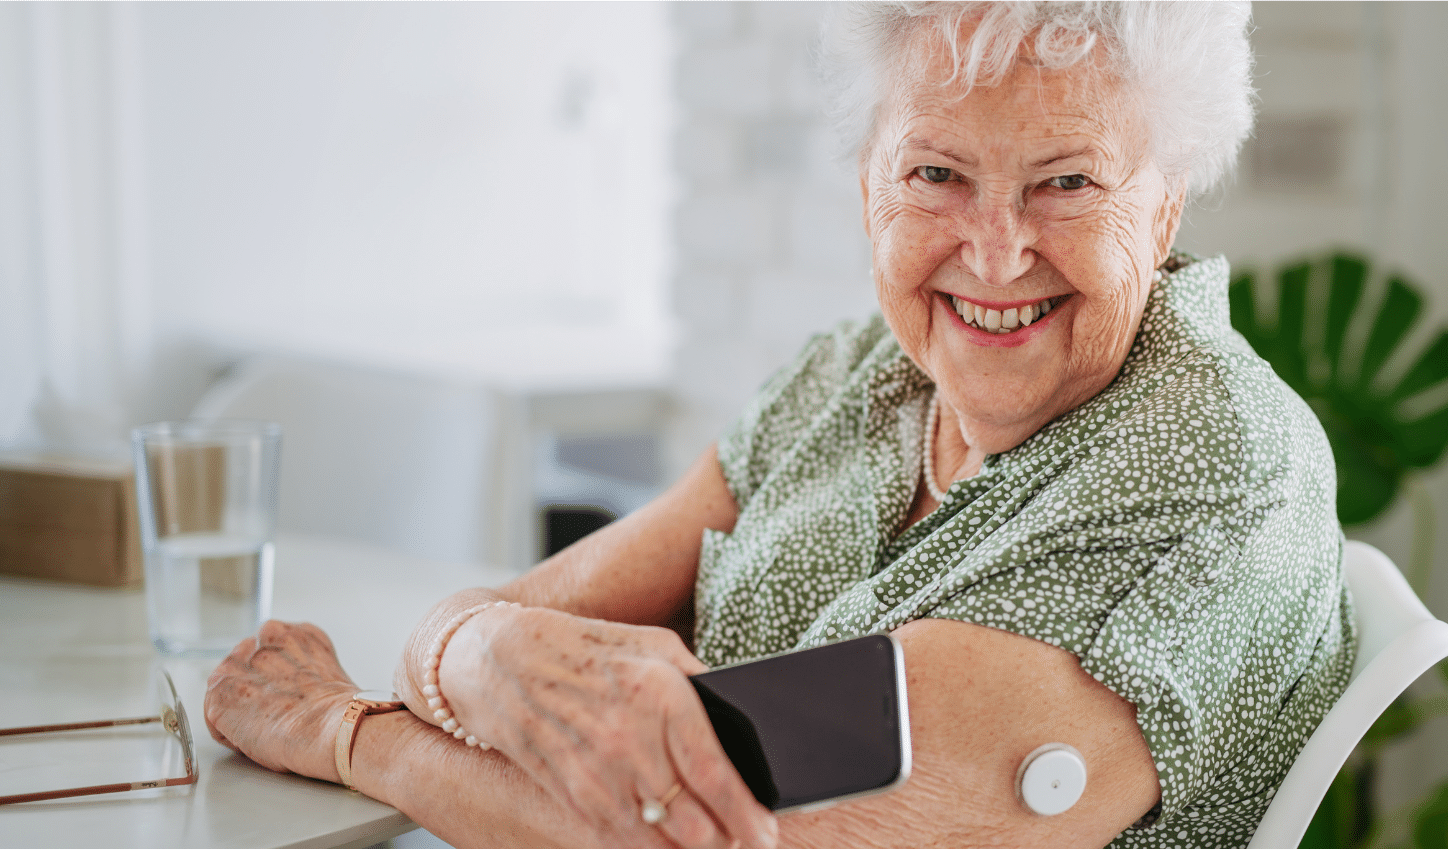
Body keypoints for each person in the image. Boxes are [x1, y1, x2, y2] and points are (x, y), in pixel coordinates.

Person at [204, 2, 1355, 847]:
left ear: (1163, 208)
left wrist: (350, 733)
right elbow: (511, 625)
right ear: (866, 182)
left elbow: (733, 832)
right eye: (937, 173)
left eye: (1065, 183)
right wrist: (485, 652)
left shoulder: (1207, 473)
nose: (995, 251)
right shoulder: (856, 376)